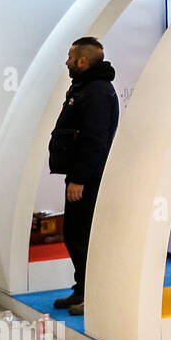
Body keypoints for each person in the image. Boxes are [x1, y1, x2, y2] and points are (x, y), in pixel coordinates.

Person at [47, 36, 120, 317]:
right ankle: (82, 289)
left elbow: (95, 140)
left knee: (83, 236)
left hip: (88, 178)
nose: (66, 62)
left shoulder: (98, 92)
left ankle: (95, 296)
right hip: (81, 176)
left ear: (82, 60)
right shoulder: (84, 88)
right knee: (75, 235)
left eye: (70, 57)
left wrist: (79, 178)